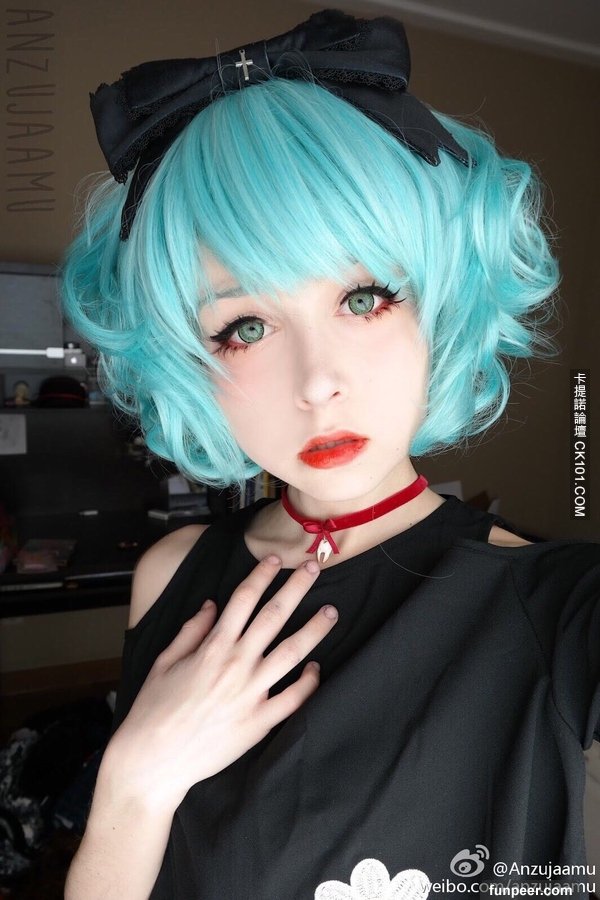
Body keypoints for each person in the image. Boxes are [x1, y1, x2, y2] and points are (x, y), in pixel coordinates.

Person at [60, 9, 600, 900]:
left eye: (364, 297)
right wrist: (131, 789)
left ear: (440, 306)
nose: (317, 384)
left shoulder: (554, 604)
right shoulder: (172, 574)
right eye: (245, 326)